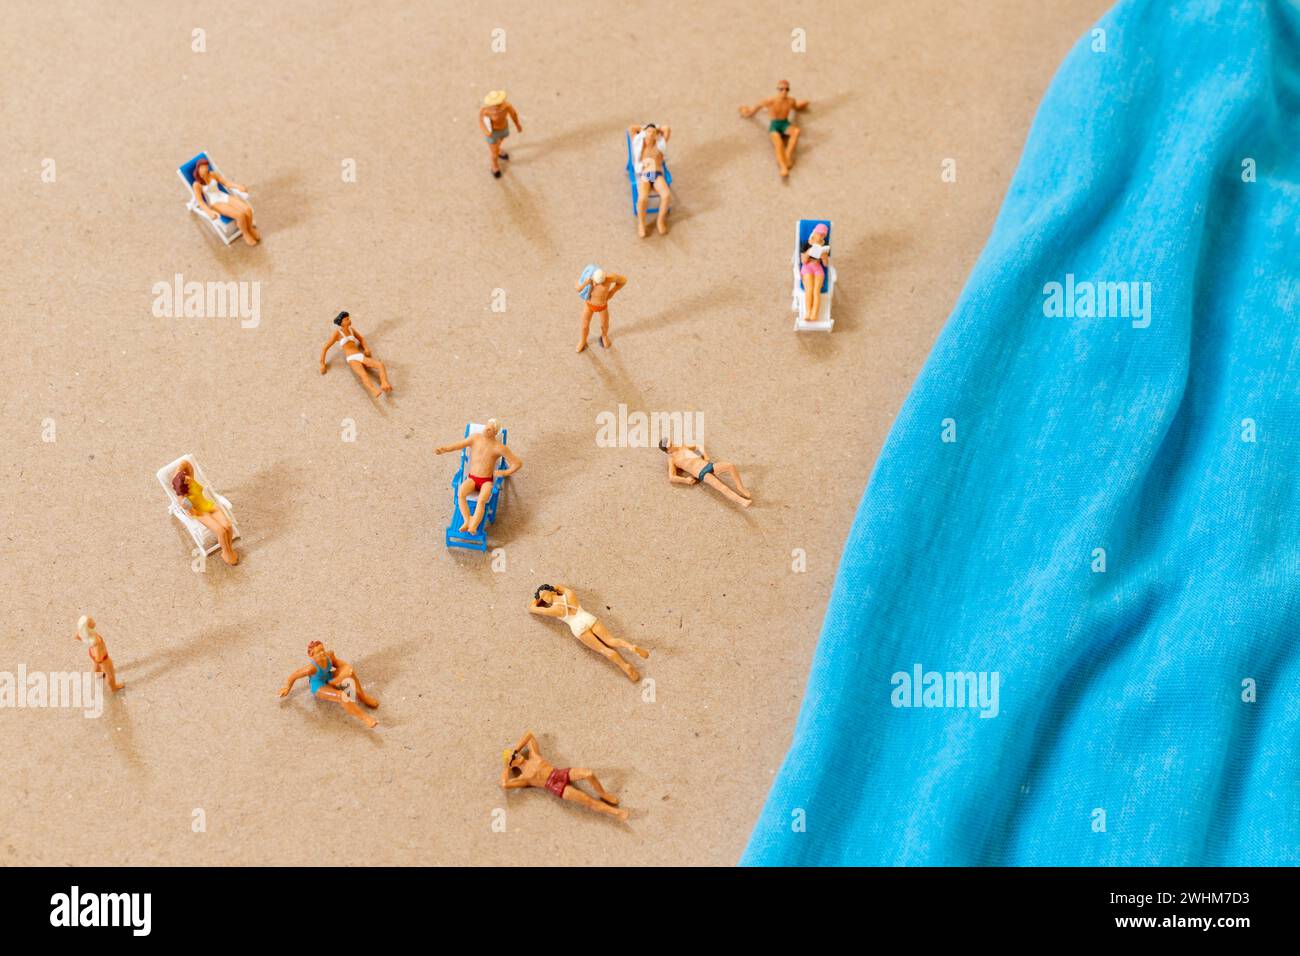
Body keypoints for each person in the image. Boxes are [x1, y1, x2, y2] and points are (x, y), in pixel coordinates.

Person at [529, 584, 649, 683]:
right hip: (587, 617)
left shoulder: (553, 610)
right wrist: (553, 589)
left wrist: (537, 598)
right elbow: (560, 586)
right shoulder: (570, 594)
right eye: (542, 598)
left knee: (604, 650)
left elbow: (532, 608)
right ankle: (630, 646)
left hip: (578, 627)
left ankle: (625, 667)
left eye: (544, 595)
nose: (544, 599)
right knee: (611, 640)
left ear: (550, 593)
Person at [500, 730, 627, 821]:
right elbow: (505, 784)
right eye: (513, 757)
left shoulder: (534, 756)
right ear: (512, 764)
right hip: (555, 786)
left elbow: (529, 735)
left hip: (560, 773)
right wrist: (506, 767)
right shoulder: (524, 778)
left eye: (515, 753)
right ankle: (617, 813)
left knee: (588, 773)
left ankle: (603, 794)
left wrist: (516, 749)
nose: (516, 755)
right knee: (587, 800)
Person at [434, 419, 522, 534]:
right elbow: (458, 445)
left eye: (490, 429)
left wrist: (504, 473)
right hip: (472, 478)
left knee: (481, 500)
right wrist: (444, 449)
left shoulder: (498, 447)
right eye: (486, 426)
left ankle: (473, 526)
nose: (486, 429)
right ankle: (467, 520)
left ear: (495, 432)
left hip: (486, 481)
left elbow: (517, 463)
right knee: (461, 494)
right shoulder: (475, 438)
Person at [278, 640, 380, 729]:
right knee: (341, 695)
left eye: (323, 650)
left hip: (330, 676)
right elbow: (294, 675)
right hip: (319, 686)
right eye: (318, 652)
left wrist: (341, 677)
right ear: (311, 655)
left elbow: (344, 666)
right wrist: (287, 687)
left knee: (351, 673)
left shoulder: (329, 656)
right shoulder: (311, 668)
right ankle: (365, 718)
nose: (322, 654)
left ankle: (362, 696)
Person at [171, 460, 239, 565]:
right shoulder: (182, 497)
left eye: (186, 476)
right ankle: (226, 552)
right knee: (221, 531)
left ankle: (229, 548)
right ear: (183, 487)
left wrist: (177, 475)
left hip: (210, 506)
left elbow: (186, 463)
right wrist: (185, 504)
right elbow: (191, 511)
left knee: (228, 526)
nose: (188, 478)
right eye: (185, 479)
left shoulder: (190, 478)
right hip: (200, 513)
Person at [738, 80, 810, 177]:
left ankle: (788, 156)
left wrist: (802, 105)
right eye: (781, 89)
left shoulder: (790, 101)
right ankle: (783, 166)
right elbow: (754, 110)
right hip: (775, 126)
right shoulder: (769, 101)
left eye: (786, 89)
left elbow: (796, 107)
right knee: (778, 143)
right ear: (778, 90)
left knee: (796, 131)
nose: (784, 91)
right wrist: (746, 112)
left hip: (785, 124)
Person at [659, 437, 752, 508]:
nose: (674, 444)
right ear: (668, 451)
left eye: (672, 442)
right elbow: (672, 477)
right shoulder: (672, 459)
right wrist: (685, 480)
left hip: (708, 465)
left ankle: (740, 487)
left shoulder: (683, 446)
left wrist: (705, 456)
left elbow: (699, 445)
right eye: (670, 445)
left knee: (730, 466)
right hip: (701, 473)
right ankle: (741, 501)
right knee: (722, 487)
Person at [319, 311, 392, 398]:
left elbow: (361, 339)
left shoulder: (351, 330)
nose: (349, 320)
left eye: (349, 318)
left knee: (380, 365)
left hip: (360, 355)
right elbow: (325, 348)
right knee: (363, 374)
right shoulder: (337, 333)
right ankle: (373, 390)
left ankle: (384, 382)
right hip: (351, 358)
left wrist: (366, 348)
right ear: (341, 322)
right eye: (346, 319)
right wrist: (322, 364)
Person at [191, 158, 260, 245]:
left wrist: (238, 186)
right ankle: (245, 234)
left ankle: (249, 229)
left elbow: (226, 183)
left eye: (206, 167)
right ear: (198, 168)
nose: (205, 169)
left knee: (247, 210)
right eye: (203, 167)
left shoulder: (212, 174)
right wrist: (209, 212)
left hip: (223, 196)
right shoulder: (196, 184)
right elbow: (200, 201)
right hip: (215, 202)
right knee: (240, 215)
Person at [628, 124, 672, 236]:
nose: (651, 134)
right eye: (648, 132)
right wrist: (644, 128)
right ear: (644, 133)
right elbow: (631, 128)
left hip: (657, 174)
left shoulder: (660, 144)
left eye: (653, 132)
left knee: (666, 195)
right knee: (642, 198)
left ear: (656, 134)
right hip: (646, 174)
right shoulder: (639, 144)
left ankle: (660, 221)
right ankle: (641, 224)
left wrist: (656, 128)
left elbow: (666, 129)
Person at [574, 268, 628, 352]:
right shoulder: (588, 278)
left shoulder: (610, 278)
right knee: (584, 325)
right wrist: (585, 283)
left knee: (604, 324)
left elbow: (623, 280)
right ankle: (583, 340)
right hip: (589, 305)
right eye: (595, 282)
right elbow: (577, 288)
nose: (596, 284)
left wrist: (613, 291)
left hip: (602, 306)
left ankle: (604, 336)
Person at [479, 90, 523, 178]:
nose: (496, 107)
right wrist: (486, 132)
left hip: (503, 129)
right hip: (493, 133)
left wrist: (517, 124)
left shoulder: (506, 106)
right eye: (493, 104)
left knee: (500, 142)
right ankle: (494, 165)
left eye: (498, 104)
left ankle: (498, 149)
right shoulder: (485, 111)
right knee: (494, 153)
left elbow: (513, 114)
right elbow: (481, 121)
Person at [76, 615, 123, 692]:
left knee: (96, 666)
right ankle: (114, 688)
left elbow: (77, 636)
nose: (93, 620)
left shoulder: (84, 634)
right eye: (90, 620)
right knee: (110, 673)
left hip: (92, 653)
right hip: (103, 658)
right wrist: (102, 663)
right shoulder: (96, 640)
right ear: (88, 626)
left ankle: (98, 674)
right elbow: (98, 656)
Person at [799, 223, 831, 322]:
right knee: (810, 289)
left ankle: (814, 313)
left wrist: (824, 257)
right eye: (819, 233)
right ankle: (808, 312)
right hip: (807, 267)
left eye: (823, 235)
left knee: (816, 290)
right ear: (814, 232)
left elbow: (825, 265)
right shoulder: (806, 243)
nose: (820, 236)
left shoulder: (825, 246)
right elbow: (803, 261)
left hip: (818, 268)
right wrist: (809, 252)